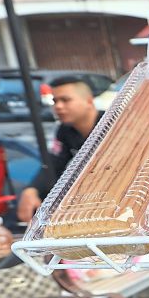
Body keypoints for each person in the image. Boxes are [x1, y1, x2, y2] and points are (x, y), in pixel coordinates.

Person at [16, 76, 100, 223]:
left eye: (65, 100)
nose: (58, 107)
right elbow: (54, 164)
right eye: (55, 101)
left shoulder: (115, 123)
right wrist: (32, 189)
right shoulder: (65, 130)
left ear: (89, 101)